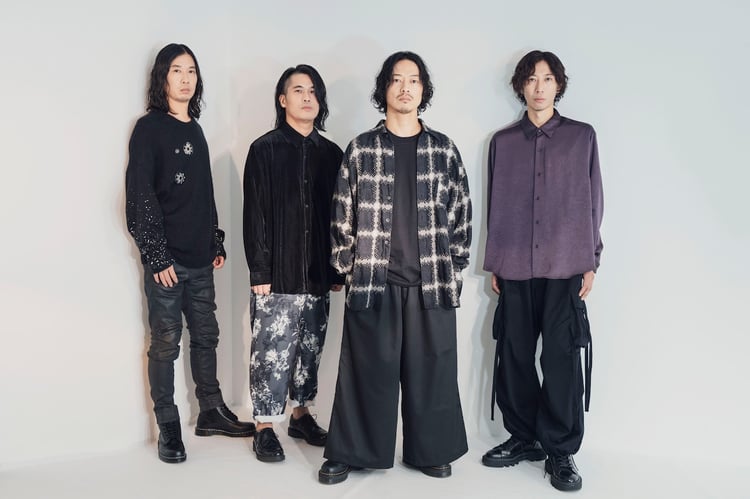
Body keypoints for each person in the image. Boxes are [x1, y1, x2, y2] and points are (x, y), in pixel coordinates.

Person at [319, 51, 472, 485]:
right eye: (397, 79)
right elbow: (342, 212)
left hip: (431, 282)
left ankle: (431, 451)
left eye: (414, 80)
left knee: (433, 373)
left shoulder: (444, 150)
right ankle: (353, 451)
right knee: (365, 373)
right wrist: (349, 267)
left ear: (424, 90)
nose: (406, 88)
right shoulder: (362, 149)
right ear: (384, 87)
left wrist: (453, 267)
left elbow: (461, 213)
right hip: (374, 280)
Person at [126, 43, 255, 464]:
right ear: (162, 77)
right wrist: (156, 255)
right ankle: (168, 425)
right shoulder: (149, 129)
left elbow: (203, 193)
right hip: (167, 262)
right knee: (166, 343)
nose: (185, 79)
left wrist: (214, 240)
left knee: (206, 336)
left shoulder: (195, 129)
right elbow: (140, 195)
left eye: (192, 71)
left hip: (201, 258)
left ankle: (211, 411)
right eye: (177, 70)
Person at [481, 50, 603, 492]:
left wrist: (591, 259)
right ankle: (523, 436)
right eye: (531, 79)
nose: (539, 87)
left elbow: (594, 201)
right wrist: (496, 260)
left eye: (547, 78)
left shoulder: (581, 137)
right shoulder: (503, 142)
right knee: (514, 354)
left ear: (559, 85)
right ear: (520, 86)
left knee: (561, 357)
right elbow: (495, 206)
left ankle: (561, 450)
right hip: (514, 264)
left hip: (565, 264)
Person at [242, 64, 344, 463]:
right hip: (277, 276)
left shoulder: (332, 155)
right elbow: (255, 215)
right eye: (299, 90)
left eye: (314, 91)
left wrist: (336, 269)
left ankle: (301, 415)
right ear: (283, 100)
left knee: (309, 349)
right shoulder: (264, 149)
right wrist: (260, 270)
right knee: (271, 351)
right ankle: (265, 426)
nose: (307, 97)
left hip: (317, 274)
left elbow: (339, 217)